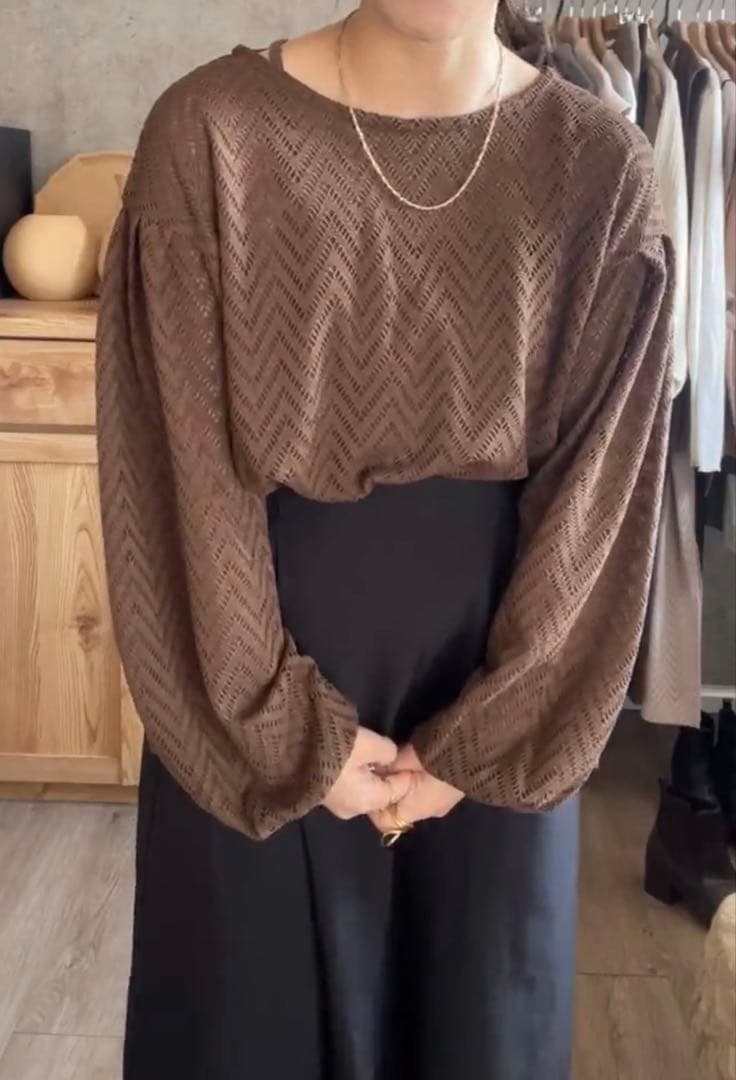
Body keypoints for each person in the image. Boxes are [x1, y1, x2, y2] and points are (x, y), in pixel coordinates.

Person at [95, 2, 674, 1078]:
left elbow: (601, 503)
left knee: (476, 1034)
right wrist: (281, 732)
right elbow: (174, 476)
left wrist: (489, 739)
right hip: (243, 681)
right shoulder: (211, 135)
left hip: (502, 691)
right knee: (245, 1030)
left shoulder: (600, 169)